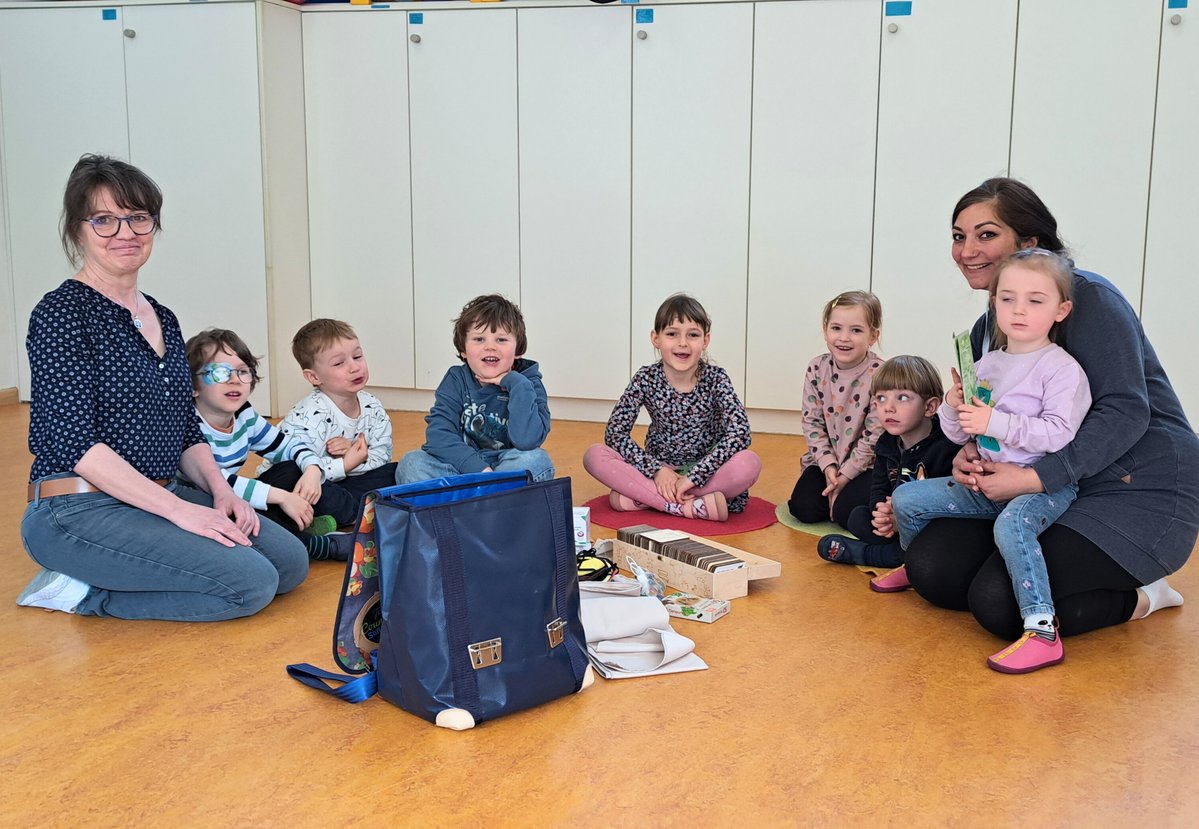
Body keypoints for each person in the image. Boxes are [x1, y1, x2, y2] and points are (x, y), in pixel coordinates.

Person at [900, 177, 1197, 644]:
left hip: (1136, 486)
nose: (966, 251)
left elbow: (1125, 412)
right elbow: (990, 416)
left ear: (1029, 243)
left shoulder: (1090, 299)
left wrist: (1037, 478)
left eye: (986, 234)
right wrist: (971, 452)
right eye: (958, 236)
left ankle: (1144, 596)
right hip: (1045, 484)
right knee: (934, 569)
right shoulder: (986, 329)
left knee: (999, 603)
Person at [16, 154, 307, 620]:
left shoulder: (163, 318)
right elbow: (76, 444)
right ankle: (79, 592)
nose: (125, 232)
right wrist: (179, 510)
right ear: (77, 231)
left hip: (159, 491)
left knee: (289, 564)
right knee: (251, 584)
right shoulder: (60, 314)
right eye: (104, 220)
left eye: (138, 217)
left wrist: (222, 493)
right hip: (78, 508)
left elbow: (185, 428)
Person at [879, 250, 1091, 674]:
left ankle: (1042, 629)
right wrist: (952, 405)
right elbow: (959, 434)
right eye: (1008, 299)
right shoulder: (988, 364)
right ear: (994, 304)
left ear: (1061, 310)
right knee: (907, 499)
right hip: (984, 482)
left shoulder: (1062, 369)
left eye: (1035, 300)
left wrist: (997, 422)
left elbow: (1059, 433)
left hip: (1041, 487)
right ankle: (911, 564)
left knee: (1011, 526)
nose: (1019, 310)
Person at [583, 293, 761, 522]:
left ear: (705, 340)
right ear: (655, 338)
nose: (682, 343)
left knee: (749, 462)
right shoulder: (646, 378)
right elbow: (615, 433)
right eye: (672, 334)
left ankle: (650, 499)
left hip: (707, 472)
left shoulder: (716, 378)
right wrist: (657, 470)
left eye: (693, 335)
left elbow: (740, 433)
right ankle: (689, 505)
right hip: (659, 471)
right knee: (594, 455)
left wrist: (694, 476)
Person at [185, 327, 346, 561]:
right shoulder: (189, 425)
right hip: (202, 504)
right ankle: (315, 544)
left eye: (243, 371)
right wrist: (282, 497)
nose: (235, 380)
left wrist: (312, 469)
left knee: (292, 469)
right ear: (192, 386)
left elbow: (287, 446)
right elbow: (217, 483)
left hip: (234, 496)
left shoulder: (244, 415)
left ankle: (318, 519)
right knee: (242, 516)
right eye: (219, 373)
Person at [257, 319, 397, 558]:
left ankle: (331, 519)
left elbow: (382, 454)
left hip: (344, 485)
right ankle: (345, 518)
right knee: (290, 473)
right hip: (301, 487)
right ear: (314, 377)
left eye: (357, 357)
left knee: (397, 471)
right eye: (339, 363)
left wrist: (355, 454)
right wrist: (344, 464)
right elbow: (297, 467)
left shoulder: (372, 406)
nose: (354, 367)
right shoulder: (309, 415)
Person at [396, 295, 554, 484]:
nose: (490, 347)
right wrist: (479, 470)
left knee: (536, 460)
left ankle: (471, 497)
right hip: (461, 466)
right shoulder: (456, 379)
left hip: (507, 464)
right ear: (463, 350)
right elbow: (438, 435)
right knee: (411, 463)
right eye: (479, 339)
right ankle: (491, 495)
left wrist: (516, 384)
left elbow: (527, 441)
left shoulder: (527, 382)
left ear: (517, 349)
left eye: (501, 339)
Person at [817, 355, 956, 569]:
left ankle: (868, 554)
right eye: (881, 398)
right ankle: (894, 551)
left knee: (930, 548)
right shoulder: (886, 442)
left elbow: (949, 504)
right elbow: (879, 488)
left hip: (929, 524)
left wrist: (903, 519)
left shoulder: (946, 446)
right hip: (897, 522)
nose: (888, 407)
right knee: (857, 517)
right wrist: (883, 516)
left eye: (902, 397)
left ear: (930, 407)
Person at [787, 290, 883, 529]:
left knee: (846, 514)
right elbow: (812, 423)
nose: (844, 338)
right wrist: (828, 466)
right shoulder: (816, 368)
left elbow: (874, 435)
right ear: (825, 330)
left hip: (865, 465)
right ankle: (833, 488)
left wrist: (846, 475)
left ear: (873, 336)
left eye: (856, 330)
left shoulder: (880, 374)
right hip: (824, 461)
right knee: (803, 508)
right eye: (836, 328)